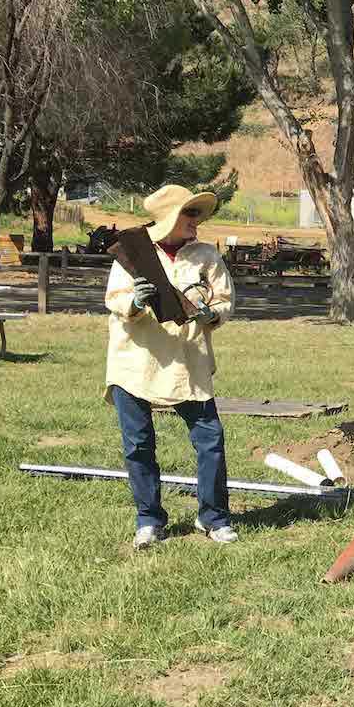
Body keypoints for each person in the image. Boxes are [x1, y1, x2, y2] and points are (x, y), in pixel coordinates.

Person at [103, 185, 236, 549]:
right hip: (135, 362)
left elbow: (225, 301)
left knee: (210, 440)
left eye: (197, 213)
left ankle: (213, 518)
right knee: (138, 444)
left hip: (188, 361)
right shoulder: (132, 253)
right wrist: (135, 301)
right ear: (169, 218)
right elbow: (114, 299)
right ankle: (149, 520)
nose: (196, 220)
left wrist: (211, 314)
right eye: (189, 213)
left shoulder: (207, 255)